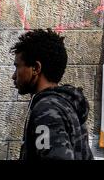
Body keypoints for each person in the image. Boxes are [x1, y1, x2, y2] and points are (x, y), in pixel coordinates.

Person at [11, 29, 93, 160]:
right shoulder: (67, 106)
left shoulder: (46, 111)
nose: (14, 76)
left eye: (17, 67)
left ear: (36, 68)